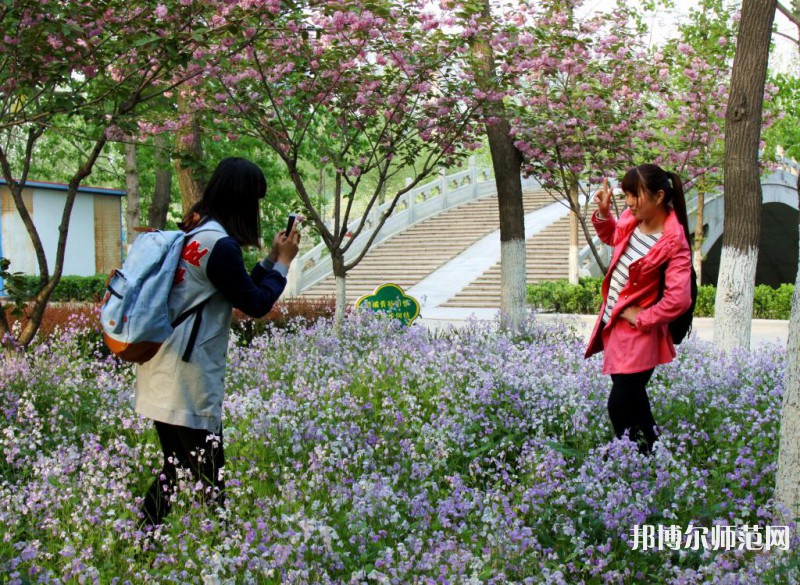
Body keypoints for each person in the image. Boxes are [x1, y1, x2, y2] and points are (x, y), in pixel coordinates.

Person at [135, 157, 300, 529]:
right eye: (255, 201)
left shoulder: (196, 234)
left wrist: (273, 257)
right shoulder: (220, 245)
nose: (255, 210)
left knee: (175, 469)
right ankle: (224, 547)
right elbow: (256, 303)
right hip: (187, 377)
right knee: (211, 476)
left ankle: (145, 539)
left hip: (162, 364)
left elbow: (234, 288)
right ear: (242, 200)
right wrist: (285, 265)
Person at [584, 163, 692, 455]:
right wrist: (605, 215)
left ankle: (633, 461)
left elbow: (679, 299)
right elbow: (613, 237)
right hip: (617, 327)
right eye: (627, 195)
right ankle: (655, 458)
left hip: (639, 333)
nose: (629, 202)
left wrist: (641, 317)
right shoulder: (634, 221)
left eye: (635, 195)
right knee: (634, 399)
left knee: (619, 404)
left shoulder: (673, 241)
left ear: (658, 197)